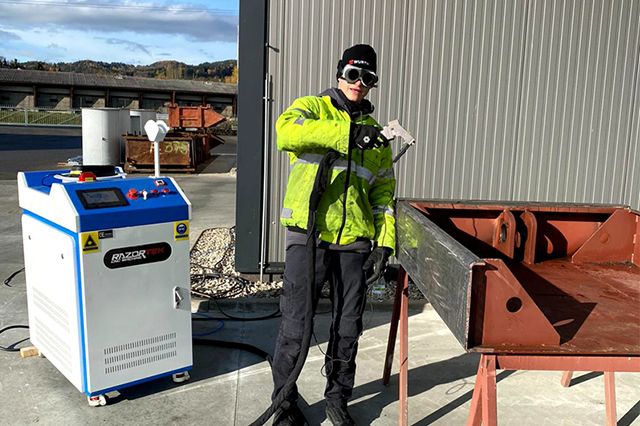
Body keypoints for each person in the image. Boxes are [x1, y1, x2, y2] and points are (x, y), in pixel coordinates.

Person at [270, 44, 396, 426]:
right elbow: (285, 133)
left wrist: (385, 243)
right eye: (353, 74)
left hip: (354, 241)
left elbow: (384, 193)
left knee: (347, 327)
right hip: (307, 235)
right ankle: (285, 404)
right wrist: (346, 132)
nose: (359, 83)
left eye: (368, 78)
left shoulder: (376, 136)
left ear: (373, 84)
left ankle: (338, 398)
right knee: (296, 325)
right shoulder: (311, 108)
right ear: (340, 74)